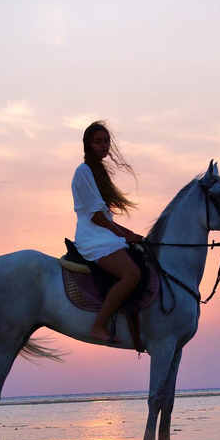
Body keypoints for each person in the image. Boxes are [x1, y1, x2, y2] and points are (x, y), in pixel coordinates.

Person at [72, 121, 143, 342]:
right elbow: (96, 216)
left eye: (106, 141)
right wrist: (123, 235)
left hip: (103, 231)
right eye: (98, 142)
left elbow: (106, 217)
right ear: (88, 145)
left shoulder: (98, 171)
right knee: (132, 274)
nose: (103, 146)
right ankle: (99, 324)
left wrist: (129, 233)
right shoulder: (84, 170)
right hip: (92, 235)